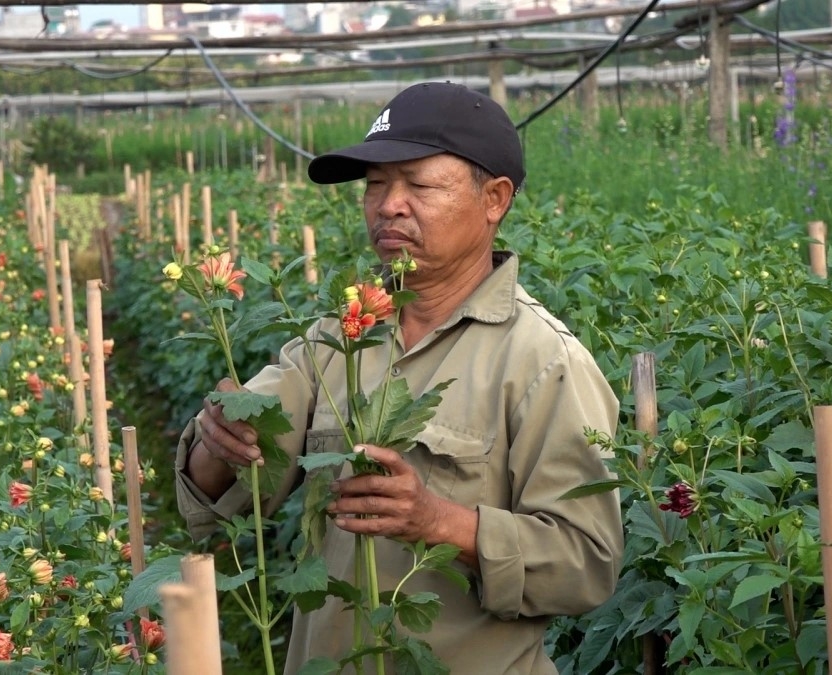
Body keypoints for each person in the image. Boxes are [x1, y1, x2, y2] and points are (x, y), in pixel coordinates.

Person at [175, 81, 623, 674]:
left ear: (494, 199)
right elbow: (227, 497)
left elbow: (586, 565)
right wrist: (219, 435)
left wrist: (437, 522)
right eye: (377, 185)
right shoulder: (339, 337)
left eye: (419, 184)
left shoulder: (543, 361)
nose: (389, 205)